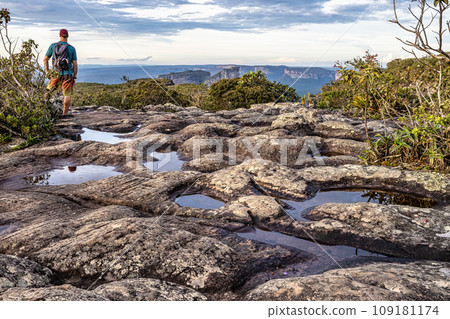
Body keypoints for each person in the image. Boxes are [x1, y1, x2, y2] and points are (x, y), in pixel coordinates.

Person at [43, 29, 78, 116]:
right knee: (67, 94)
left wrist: (47, 72)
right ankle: (64, 115)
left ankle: (43, 111)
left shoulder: (53, 46)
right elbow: (75, 64)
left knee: (48, 91)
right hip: (68, 74)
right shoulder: (71, 48)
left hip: (55, 73)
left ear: (60, 36)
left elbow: (45, 59)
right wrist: (74, 76)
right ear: (68, 36)